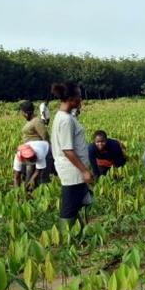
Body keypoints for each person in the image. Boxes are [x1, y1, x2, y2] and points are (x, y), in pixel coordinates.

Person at [50, 82, 94, 227]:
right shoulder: (66, 120)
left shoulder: (65, 116)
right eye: (79, 96)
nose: (81, 99)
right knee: (69, 207)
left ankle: (78, 233)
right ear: (71, 99)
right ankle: (65, 241)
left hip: (74, 170)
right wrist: (84, 171)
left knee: (77, 203)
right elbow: (67, 150)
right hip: (72, 171)